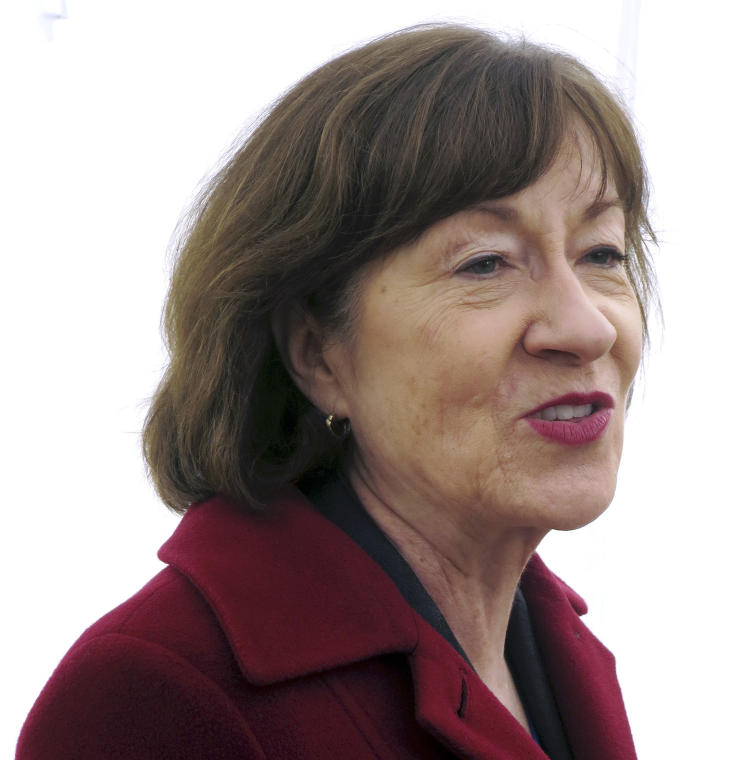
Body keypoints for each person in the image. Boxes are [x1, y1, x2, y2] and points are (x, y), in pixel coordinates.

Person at [17, 23, 655, 759]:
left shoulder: (551, 647)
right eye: (485, 264)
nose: (586, 328)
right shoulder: (155, 696)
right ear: (318, 353)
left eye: (601, 253)